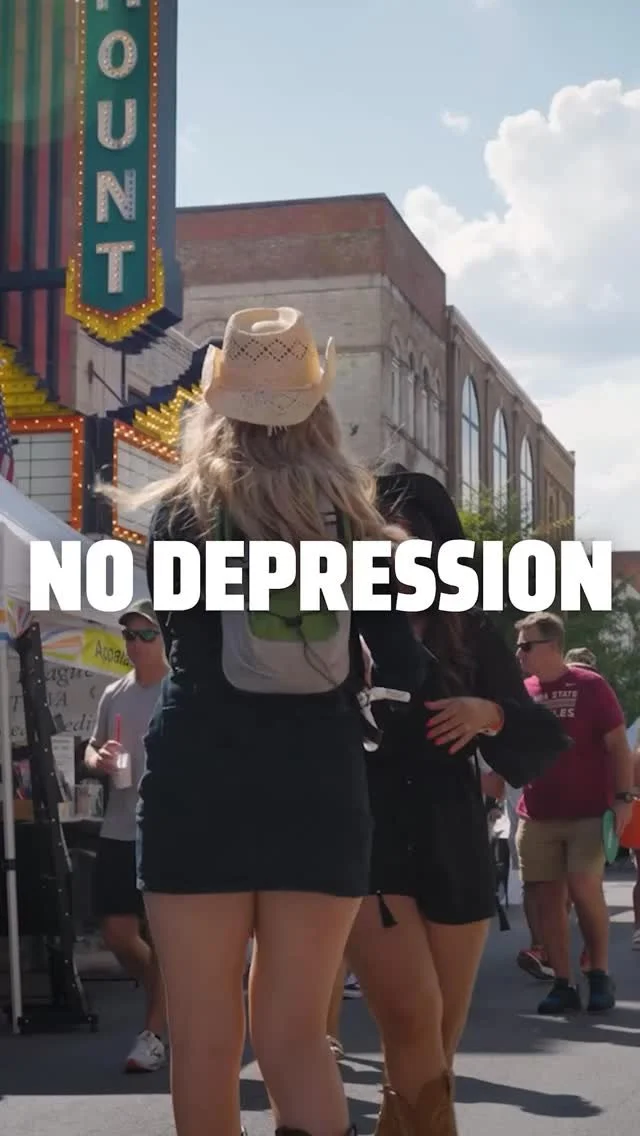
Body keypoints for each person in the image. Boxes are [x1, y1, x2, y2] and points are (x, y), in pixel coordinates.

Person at [101, 309, 430, 1136]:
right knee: (296, 1035)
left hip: (198, 781)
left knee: (205, 1037)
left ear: (219, 404)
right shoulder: (356, 520)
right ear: (316, 406)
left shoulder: (181, 512)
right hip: (319, 784)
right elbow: (406, 668)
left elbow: (178, 636)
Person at [344, 468, 570, 1136]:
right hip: (373, 837)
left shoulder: (468, 634)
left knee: (439, 1036)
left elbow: (537, 740)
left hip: (454, 837)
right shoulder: (341, 623)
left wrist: (488, 714)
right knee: (409, 1021)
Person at [515, 611, 635, 1014]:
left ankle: (598, 974)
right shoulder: (524, 690)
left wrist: (624, 798)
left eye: (526, 645)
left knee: (584, 886)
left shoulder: (590, 685)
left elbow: (618, 746)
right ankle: (563, 982)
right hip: (537, 814)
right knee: (548, 901)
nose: (519, 653)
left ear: (552, 646)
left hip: (589, 812)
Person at [84, 600, 168, 1072]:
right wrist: (98, 759)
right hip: (119, 826)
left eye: (146, 634)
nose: (135, 644)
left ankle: (152, 1034)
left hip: (167, 827)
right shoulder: (114, 692)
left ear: (165, 639)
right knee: (117, 934)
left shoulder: (180, 690)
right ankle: (168, 989)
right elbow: (93, 748)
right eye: (129, 636)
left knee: (164, 937)